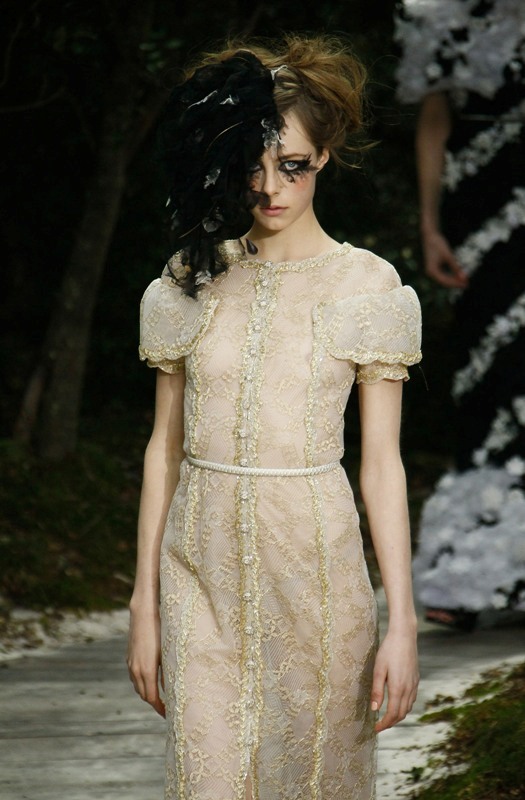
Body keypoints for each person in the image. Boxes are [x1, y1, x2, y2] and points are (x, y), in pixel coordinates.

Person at [127, 34, 421, 800]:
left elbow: (381, 464)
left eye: (291, 165)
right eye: (250, 165)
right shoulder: (190, 278)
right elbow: (163, 449)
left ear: (324, 154)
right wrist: (143, 603)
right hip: (197, 573)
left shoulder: (366, 286)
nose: (269, 188)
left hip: (317, 575)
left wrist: (402, 622)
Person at [395, 0, 525, 629]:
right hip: (478, 211)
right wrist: (429, 226)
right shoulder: (442, 11)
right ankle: (467, 573)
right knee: (484, 378)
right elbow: (434, 119)